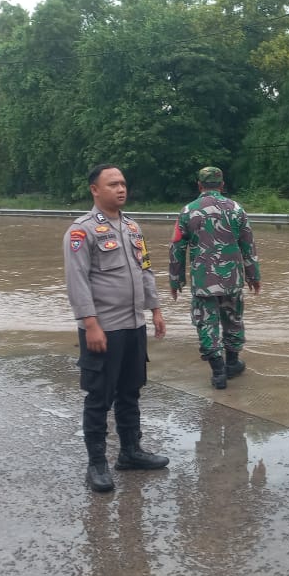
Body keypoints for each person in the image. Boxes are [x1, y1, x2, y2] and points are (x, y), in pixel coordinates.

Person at [64, 163, 169, 493]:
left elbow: (145, 269)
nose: (121, 189)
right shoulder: (81, 231)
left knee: (130, 391)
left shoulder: (133, 228)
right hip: (103, 328)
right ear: (95, 190)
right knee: (99, 396)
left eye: (123, 183)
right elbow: (77, 281)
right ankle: (97, 464)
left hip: (134, 324)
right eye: (112, 184)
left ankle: (130, 452)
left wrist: (155, 309)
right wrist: (90, 324)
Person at [168, 166, 261, 389]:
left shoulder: (188, 211)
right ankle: (232, 364)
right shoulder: (236, 209)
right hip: (232, 279)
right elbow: (248, 245)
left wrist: (175, 280)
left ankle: (218, 373)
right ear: (222, 185)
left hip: (204, 281)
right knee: (233, 320)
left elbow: (177, 247)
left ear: (199, 185)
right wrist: (253, 275)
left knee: (206, 324)